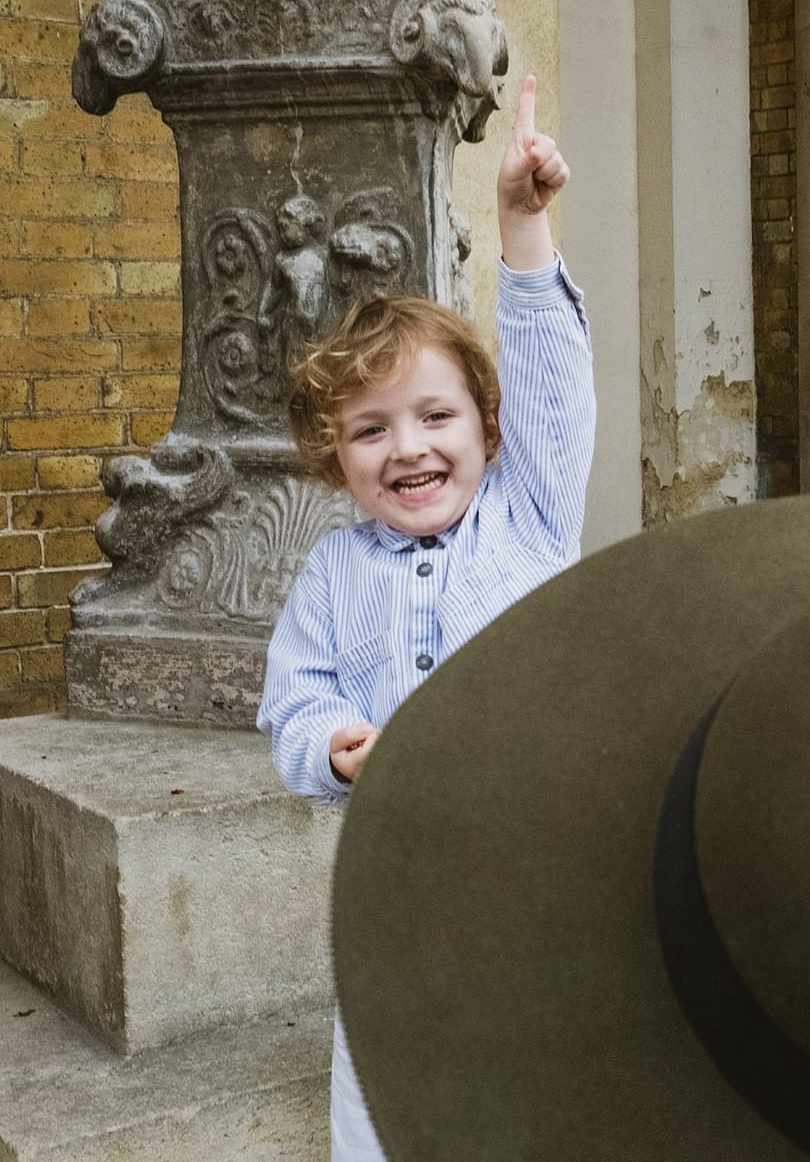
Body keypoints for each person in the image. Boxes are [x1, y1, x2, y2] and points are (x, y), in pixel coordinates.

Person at [257, 74, 592, 1160]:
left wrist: (524, 225)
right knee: (382, 1042)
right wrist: (331, 744)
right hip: (396, 864)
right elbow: (295, 696)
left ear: (489, 429)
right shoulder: (331, 572)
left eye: (435, 414)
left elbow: (549, 376)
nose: (407, 447)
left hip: (539, 852)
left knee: (541, 1042)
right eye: (370, 430)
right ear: (333, 456)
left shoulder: (530, 515)